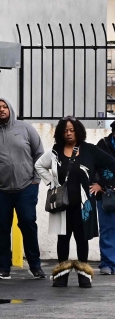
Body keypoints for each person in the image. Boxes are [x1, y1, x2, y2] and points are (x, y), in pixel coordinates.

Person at [35, 118, 115, 288]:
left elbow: (111, 165)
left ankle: (84, 275)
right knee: (62, 239)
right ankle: (61, 275)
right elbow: (39, 165)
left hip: (83, 206)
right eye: (65, 131)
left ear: (78, 131)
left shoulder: (90, 150)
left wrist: (102, 184)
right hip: (62, 204)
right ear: (60, 133)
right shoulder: (55, 151)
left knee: (82, 239)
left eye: (71, 130)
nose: (69, 133)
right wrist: (51, 184)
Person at [0, 98, 46, 280]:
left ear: (10, 109)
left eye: (4, 107)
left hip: (26, 187)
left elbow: (39, 154)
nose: (1, 110)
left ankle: (35, 266)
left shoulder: (25, 128)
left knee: (28, 223)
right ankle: (4, 268)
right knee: (1, 227)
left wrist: (36, 179)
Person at [95, 121, 115, 275]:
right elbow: (92, 166)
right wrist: (97, 184)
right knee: (107, 229)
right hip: (106, 194)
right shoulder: (102, 145)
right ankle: (107, 263)